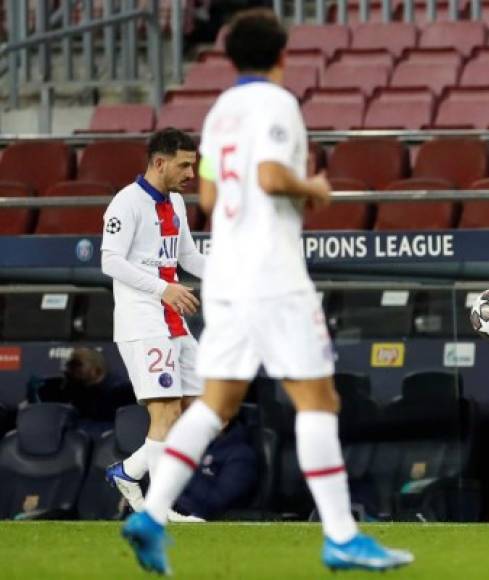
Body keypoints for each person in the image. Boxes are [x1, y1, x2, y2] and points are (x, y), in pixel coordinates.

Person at [121, 9, 413, 575]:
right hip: (272, 276)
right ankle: (343, 537)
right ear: (283, 55)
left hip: (228, 274)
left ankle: (152, 513)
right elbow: (272, 176)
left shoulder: (221, 111)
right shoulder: (277, 104)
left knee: (215, 405)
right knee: (317, 400)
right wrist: (314, 188)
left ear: (231, 58)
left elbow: (207, 190)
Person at [101, 128, 206, 523]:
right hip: (142, 321)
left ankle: (129, 471)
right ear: (160, 162)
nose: (191, 173)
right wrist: (163, 288)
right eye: (184, 165)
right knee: (164, 411)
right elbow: (109, 261)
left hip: (172, 321)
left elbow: (189, 258)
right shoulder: (125, 204)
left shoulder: (176, 203)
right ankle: (160, 510)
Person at [35, 347, 135, 436]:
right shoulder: (69, 388)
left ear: (96, 370)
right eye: (69, 364)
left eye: (76, 364)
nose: (68, 370)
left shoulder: (122, 394)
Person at [173, 418, 258, 521]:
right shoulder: (195, 443)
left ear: (223, 422)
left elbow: (217, 503)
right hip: (171, 509)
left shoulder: (242, 455)